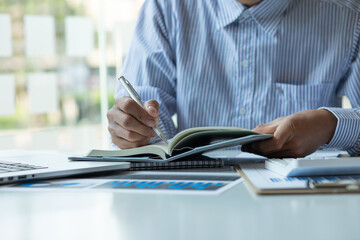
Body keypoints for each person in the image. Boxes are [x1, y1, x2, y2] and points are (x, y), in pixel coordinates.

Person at [107, 0, 360, 158]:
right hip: (193, 207)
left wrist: (330, 126)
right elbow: (142, 116)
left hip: (303, 206)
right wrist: (132, 129)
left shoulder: (348, 16)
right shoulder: (166, 8)